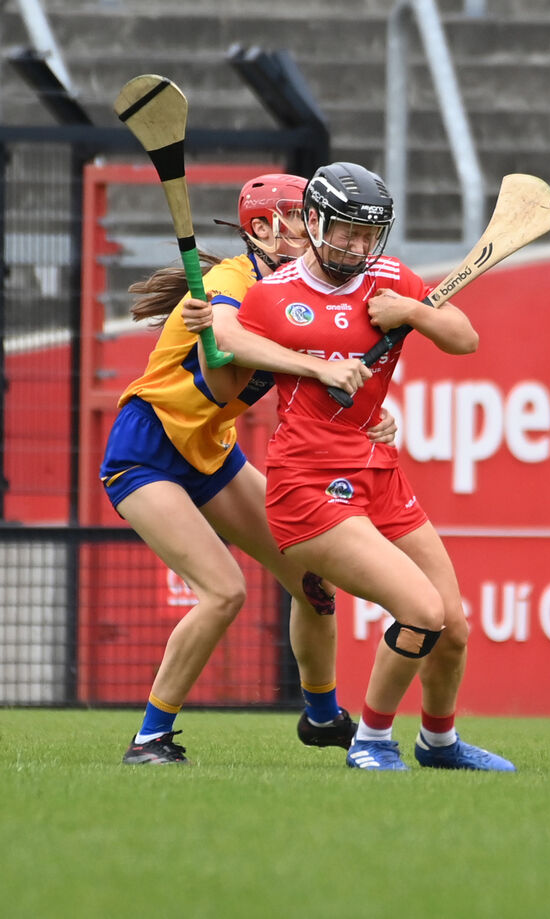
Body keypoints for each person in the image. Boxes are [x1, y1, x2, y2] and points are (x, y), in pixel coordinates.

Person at [199, 161, 515, 772]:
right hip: (308, 483)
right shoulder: (274, 295)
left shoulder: (391, 278)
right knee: (419, 612)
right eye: (345, 231)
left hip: (378, 472)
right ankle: (370, 741)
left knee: (452, 627)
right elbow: (227, 349)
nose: (357, 246)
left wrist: (414, 313)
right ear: (314, 223)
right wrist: (311, 365)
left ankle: (440, 743)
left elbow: (464, 337)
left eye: (369, 234)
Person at [102, 174, 384, 765]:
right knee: (223, 591)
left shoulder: (295, 295)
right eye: (302, 217)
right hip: (148, 447)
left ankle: (322, 715)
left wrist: (371, 416)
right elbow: (228, 346)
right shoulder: (230, 281)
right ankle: (150, 738)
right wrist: (313, 367)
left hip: (212, 451)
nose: (317, 232)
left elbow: (329, 372)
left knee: (315, 580)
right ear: (262, 229)